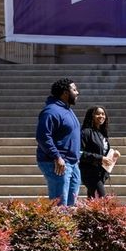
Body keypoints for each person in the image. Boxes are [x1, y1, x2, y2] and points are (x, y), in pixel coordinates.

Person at [36, 79, 81, 207]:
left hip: (72, 162)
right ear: (65, 93)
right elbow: (43, 136)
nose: (77, 93)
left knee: (71, 205)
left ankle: (69, 228)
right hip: (57, 163)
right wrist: (57, 156)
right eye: (74, 90)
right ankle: (59, 228)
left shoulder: (67, 110)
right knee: (59, 205)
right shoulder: (51, 111)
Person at [80, 105, 118, 199]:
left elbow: (103, 152)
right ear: (91, 116)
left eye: (103, 114)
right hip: (90, 173)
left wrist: (113, 154)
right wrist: (100, 158)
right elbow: (80, 153)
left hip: (100, 173)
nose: (101, 116)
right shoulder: (85, 132)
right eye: (97, 114)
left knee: (93, 202)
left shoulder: (102, 134)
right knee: (102, 200)